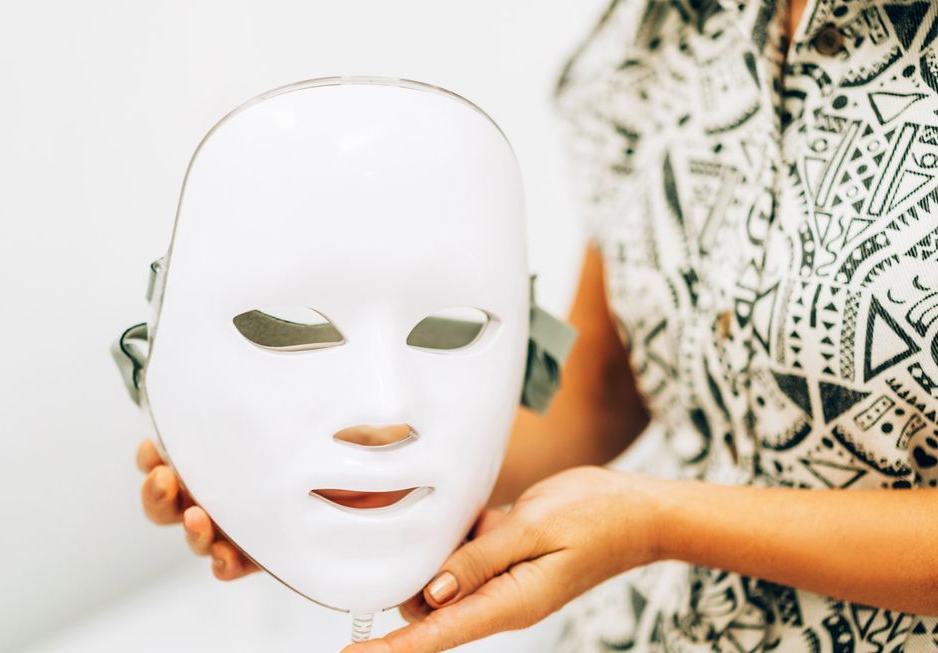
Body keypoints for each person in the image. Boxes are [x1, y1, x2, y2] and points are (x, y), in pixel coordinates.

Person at [137, 0, 938, 650]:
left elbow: (640, 509)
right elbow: (601, 388)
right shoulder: (665, 30)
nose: (381, 388)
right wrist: (365, 477)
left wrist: (653, 523)